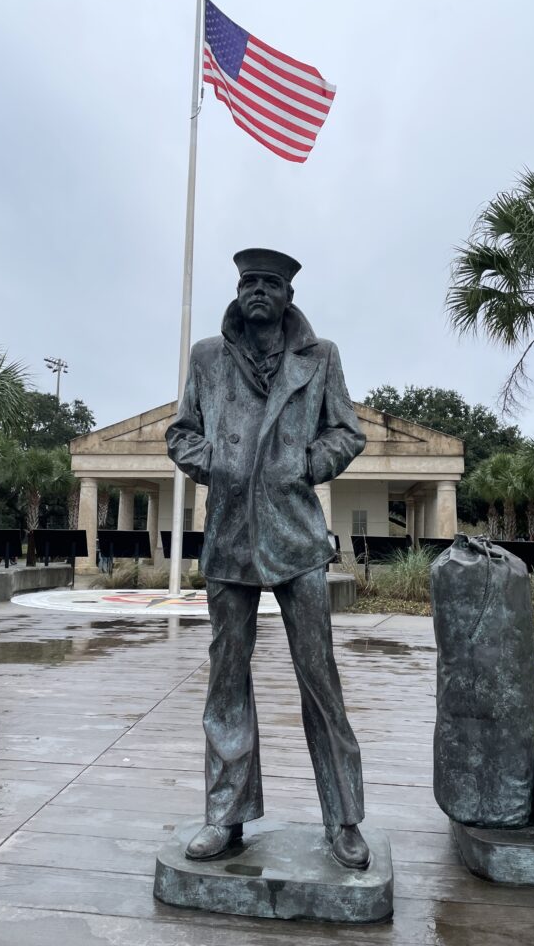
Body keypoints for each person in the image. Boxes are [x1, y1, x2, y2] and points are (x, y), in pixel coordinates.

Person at [166, 248, 370, 869]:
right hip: (230, 537)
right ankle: (224, 818)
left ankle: (344, 818)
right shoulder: (207, 357)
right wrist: (219, 465)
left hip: (297, 539)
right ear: (238, 289)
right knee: (226, 681)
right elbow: (181, 433)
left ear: (287, 296)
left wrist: (309, 464)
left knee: (320, 676)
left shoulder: (320, 357)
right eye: (249, 281)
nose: (258, 291)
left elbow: (348, 431)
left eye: (271, 284)